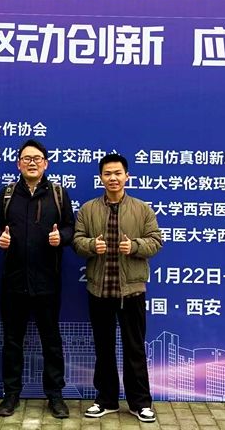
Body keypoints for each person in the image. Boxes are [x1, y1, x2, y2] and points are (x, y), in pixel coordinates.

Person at [73, 153, 163, 423]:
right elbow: (77, 241)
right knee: (104, 348)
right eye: (107, 174)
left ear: (127, 176)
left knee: (134, 348)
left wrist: (134, 246)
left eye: (118, 173)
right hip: (99, 290)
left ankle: (140, 403)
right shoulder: (88, 209)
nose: (113, 178)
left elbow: (156, 241)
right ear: (100, 178)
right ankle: (106, 400)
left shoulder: (142, 209)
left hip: (131, 291)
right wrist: (92, 246)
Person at [0, 140, 75, 419]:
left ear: (45, 163)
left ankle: (55, 395)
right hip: (13, 281)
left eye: (37, 158)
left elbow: (71, 228)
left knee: (51, 341)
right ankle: (11, 394)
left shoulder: (58, 194)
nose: (31, 162)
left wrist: (61, 237)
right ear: (18, 164)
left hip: (47, 280)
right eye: (26, 158)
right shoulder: (7, 194)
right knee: (12, 340)